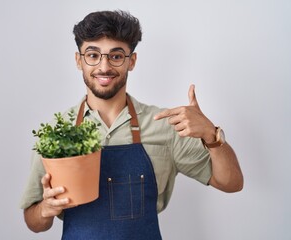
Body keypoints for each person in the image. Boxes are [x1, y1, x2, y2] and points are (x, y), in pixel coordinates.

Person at [20, 10, 243, 239]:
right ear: (79, 61)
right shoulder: (57, 135)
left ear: (132, 61)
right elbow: (34, 221)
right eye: (93, 55)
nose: (104, 67)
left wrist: (211, 135)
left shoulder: (164, 125)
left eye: (116, 56)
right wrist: (46, 210)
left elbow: (232, 183)